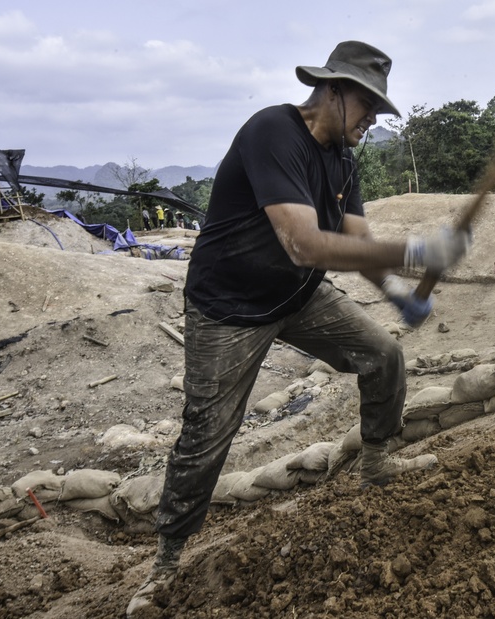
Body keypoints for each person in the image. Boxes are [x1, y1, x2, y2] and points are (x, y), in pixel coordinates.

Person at [126, 41, 472, 617]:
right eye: (367, 105)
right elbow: (304, 244)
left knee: (383, 355)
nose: (371, 120)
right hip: (228, 308)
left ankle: (376, 465)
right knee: (208, 432)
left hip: (298, 295)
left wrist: (397, 292)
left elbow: (357, 242)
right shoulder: (274, 133)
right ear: (332, 91)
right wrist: (417, 250)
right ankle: (166, 563)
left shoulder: (344, 161)